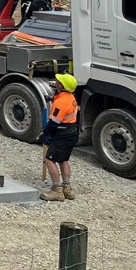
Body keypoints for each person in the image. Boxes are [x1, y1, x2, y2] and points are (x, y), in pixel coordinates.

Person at [41, 73, 80, 201]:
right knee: (63, 159)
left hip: (62, 133)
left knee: (49, 159)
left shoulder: (61, 102)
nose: (56, 82)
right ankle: (67, 189)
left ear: (61, 86)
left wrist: (45, 133)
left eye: (58, 81)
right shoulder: (70, 97)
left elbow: (54, 123)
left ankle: (57, 190)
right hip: (72, 131)